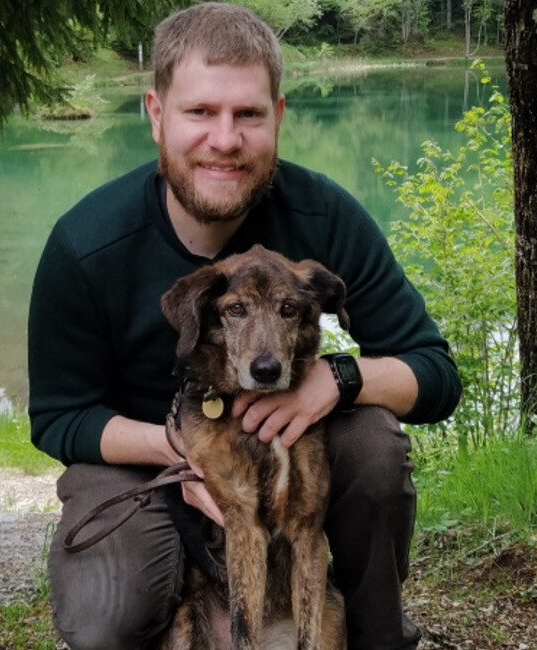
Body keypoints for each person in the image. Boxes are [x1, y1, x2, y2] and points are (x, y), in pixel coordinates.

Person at [26, 4, 462, 649]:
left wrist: (338, 378)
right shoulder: (87, 245)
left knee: (373, 443)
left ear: (278, 116)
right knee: (106, 616)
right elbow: (60, 419)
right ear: (156, 114)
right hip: (145, 461)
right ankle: (178, 603)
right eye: (200, 112)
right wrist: (183, 448)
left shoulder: (325, 216)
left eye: (248, 114)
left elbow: (435, 374)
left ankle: (375, 633)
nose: (225, 140)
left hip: (286, 441)